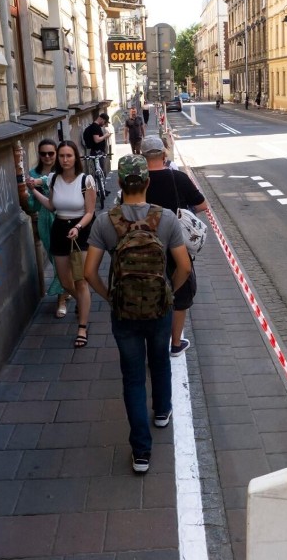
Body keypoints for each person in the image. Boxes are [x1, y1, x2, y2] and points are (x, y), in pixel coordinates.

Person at [84, 155, 191, 474]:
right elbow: (184, 266)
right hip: (159, 307)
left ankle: (141, 452)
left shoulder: (106, 220)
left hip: (124, 311)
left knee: (132, 377)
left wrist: (110, 296)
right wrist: (169, 292)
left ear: (119, 183)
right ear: (146, 182)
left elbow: (90, 272)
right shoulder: (166, 219)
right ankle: (162, 411)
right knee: (159, 360)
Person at [141, 135, 207, 356]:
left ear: (142, 156)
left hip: (146, 248)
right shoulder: (177, 178)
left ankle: (153, 343)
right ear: (163, 153)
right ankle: (176, 343)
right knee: (180, 295)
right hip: (177, 247)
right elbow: (202, 205)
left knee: (150, 294)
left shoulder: (137, 182)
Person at [26, 140, 96, 349]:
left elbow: (90, 212)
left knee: (80, 280)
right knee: (65, 282)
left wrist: (78, 228)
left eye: (69, 156)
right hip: (59, 229)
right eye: (62, 156)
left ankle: (82, 327)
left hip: (80, 232)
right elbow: (51, 205)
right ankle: (83, 303)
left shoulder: (86, 180)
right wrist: (34, 190)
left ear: (76, 158)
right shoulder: (53, 179)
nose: (65, 160)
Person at [27, 139, 70, 318]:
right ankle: (67, 288)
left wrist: (41, 183)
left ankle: (61, 300)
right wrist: (30, 193)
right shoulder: (32, 173)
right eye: (43, 153)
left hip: (65, 218)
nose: (47, 157)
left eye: (51, 153)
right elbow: (31, 205)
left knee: (64, 261)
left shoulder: (63, 172)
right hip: (45, 220)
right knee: (55, 260)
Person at [83, 113, 113, 180]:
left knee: (100, 170)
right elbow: (96, 140)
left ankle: (102, 188)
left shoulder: (94, 127)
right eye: (105, 122)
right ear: (101, 119)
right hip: (97, 152)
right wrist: (105, 136)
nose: (104, 124)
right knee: (101, 170)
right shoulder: (95, 127)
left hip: (96, 151)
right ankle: (102, 189)